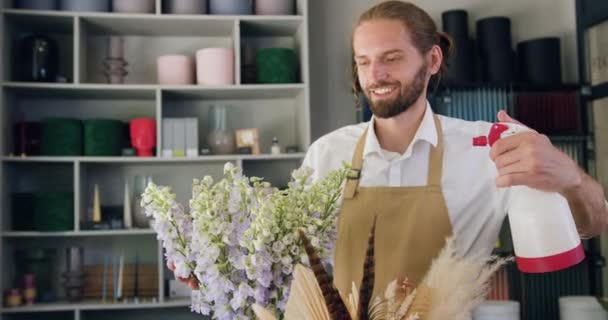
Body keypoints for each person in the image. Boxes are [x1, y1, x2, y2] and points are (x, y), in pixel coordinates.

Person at [172, 0, 608, 298]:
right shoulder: (327, 155)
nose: (374, 74)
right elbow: (288, 262)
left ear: (432, 61)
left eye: (392, 58)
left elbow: (593, 223)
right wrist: (215, 263)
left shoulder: (487, 149)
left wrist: (568, 177)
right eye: (363, 61)